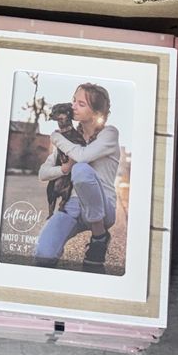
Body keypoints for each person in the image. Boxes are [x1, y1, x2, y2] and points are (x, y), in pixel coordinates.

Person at [32, 82, 118, 272]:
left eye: (81, 104)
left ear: (96, 112)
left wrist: (57, 139)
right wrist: (63, 169)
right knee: (43, 255)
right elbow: (43, 173)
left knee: (81, 170)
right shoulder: (69, 139)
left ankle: (99, 239)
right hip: (71, 207)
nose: (73, 107)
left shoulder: (109, 134)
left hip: (103, 207)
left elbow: (83, 156)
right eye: (73, 101)